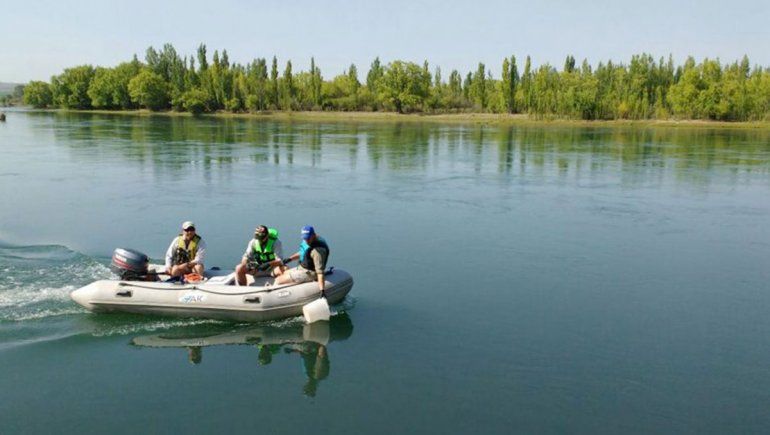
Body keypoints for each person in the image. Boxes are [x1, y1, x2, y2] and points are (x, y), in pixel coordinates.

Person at [274, 226, 329, 293]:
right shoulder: (309, 242)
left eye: (308, 238)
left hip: (309, 272)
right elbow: (303, 252)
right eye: (305, 238)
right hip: (302, 267)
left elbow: (320, 272)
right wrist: (290, 259)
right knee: (284, 272)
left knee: (278, 280)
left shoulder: (317, 251)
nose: (306, 240)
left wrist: (322, 290)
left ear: (313, 235)